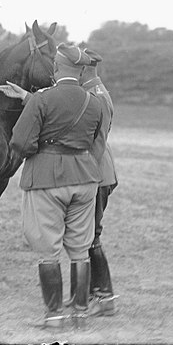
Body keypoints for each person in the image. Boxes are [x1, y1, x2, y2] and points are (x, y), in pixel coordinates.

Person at [4, 44, 104, 329]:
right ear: (82, 70)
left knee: (48, 249)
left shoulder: (41, 99)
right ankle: (81, 315)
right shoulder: (93, 101)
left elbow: (20, 142)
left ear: (57, 69)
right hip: (85, 179)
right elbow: (97, 139)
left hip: (47, 178)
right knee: (80, 249)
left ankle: (54, 317)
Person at [75, 48, 119, 316]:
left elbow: (98, 144)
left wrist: (85, 176)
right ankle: (97, 296)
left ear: (84, 69)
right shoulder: (96, 91)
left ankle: (104, 298)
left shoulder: (95, 96)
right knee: (89, 236)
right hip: (99, 172)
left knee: (91, 237)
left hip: (97, 174)